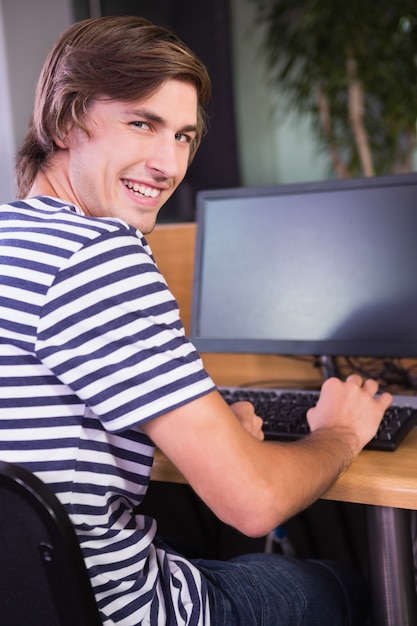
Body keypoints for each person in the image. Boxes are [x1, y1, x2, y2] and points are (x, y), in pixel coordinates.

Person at [0, 15, 392, 626]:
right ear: (63, 121)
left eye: (183, 136)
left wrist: (208, 439)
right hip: (122, 611)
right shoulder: (98, 255)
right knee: (333, 582)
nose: (167, 163)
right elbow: (254, 503)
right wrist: (341, 431)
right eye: (141, 124)